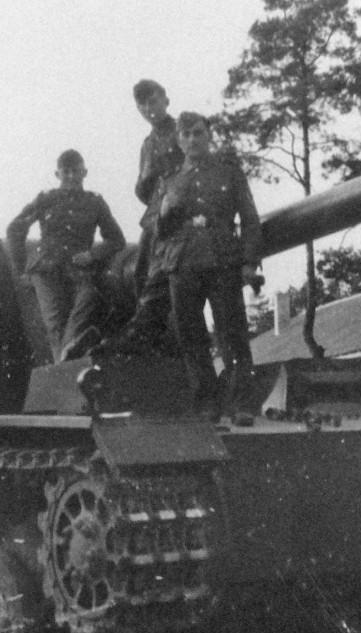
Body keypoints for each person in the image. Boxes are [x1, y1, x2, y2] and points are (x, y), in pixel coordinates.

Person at [115, 111, 261, 426]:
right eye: (186, 135)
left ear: (209, 136)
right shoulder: (168, 181)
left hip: (222, 260)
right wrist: (164, 212)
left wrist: (250, 262)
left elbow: (250, 219)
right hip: (182, 264)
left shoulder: (228, 173)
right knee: (191, 337)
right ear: (179, 141)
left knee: (232, 334)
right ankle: (206, 403)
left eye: (198, 133)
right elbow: (155, 229)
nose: (192, 140)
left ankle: (241, 404)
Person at [6, 149, 126, 363]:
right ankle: (66, 356)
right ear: (57, 174)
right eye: (66, 172)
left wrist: (92, 255)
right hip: (46, 270)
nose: (71, 176)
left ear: (84, 172)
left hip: (79, 269)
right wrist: (21, 269)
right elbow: (15, 228)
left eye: (76, 171)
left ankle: (67, 353)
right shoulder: (46, 199)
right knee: (56, 324)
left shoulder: (94, 202)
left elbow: (116, 239)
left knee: (90, 298)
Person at [133, 79, 184, 288]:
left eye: (153, 102)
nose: (148, 109)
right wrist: (146, 177)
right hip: (155, 217)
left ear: (166, 101)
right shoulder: (148, 145)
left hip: (181, 211)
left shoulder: (183, 131)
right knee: (140, 274)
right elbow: (142, 193)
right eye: (142, 105)